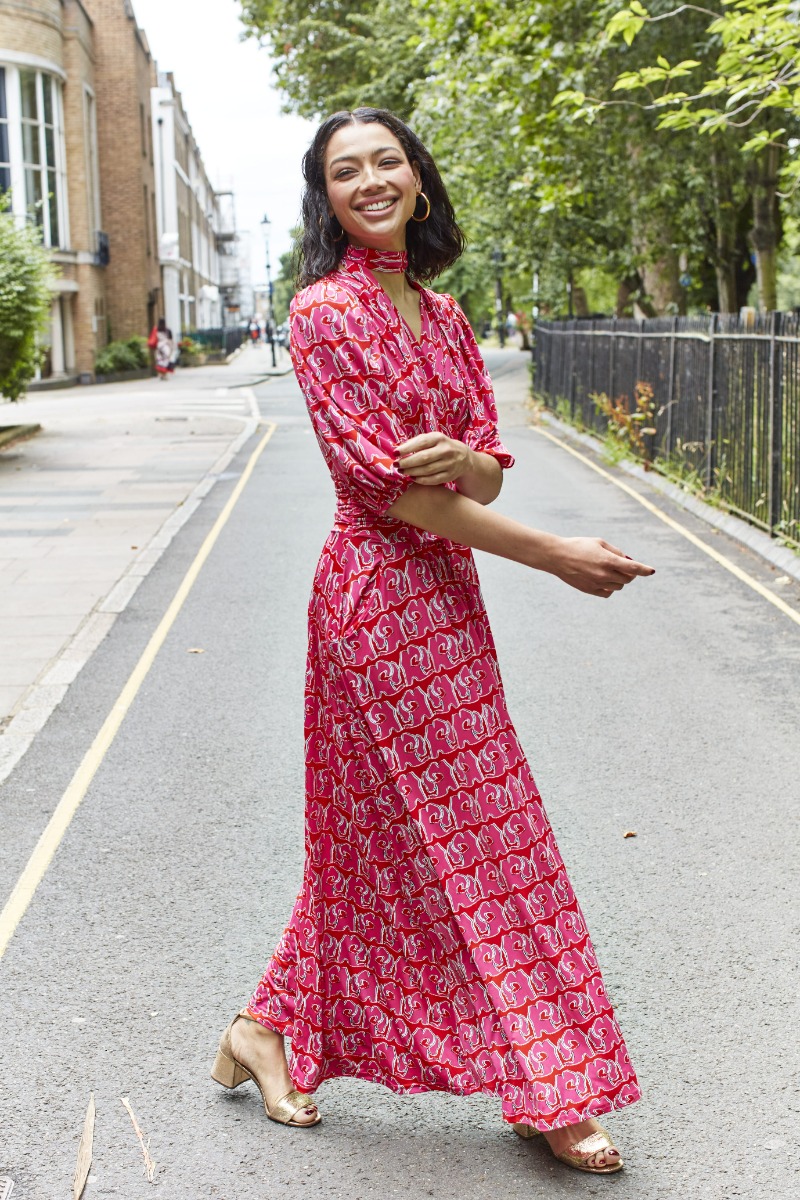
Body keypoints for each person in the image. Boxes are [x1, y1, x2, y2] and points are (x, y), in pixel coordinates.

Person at [211, 107, 654, 1175]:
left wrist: (465, 452)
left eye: (385, 162)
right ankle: (548, 1087)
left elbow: (485, 469)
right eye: (344, 171)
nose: (369, 181)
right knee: (485, 840)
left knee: (389, 843)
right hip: (376, 609)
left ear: (416, 178)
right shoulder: (322, 314)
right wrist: (551, 553)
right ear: (326, 197)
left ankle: (263, 1028)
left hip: (447, 606)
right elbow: (393, 500)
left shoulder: (445, 315)